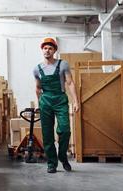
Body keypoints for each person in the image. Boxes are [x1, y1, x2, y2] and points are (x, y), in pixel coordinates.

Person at [33, 38, 79, 173]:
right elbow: (37, 88)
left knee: (65, 130)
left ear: (54, 51)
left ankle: (62, 156)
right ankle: (52, 163)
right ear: (42, 50)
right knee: (47, 134)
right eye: (45, 48)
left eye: (50, 48)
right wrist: (38, 103)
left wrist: (76, 101)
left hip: (60, 99)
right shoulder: (37, 68)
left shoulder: (63, 64)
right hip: (45, 101)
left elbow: (70, 83)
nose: (47, 50)